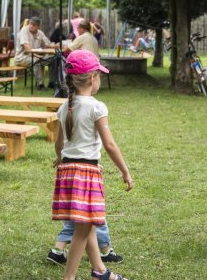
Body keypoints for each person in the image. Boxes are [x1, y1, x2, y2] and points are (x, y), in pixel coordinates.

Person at [52, 49, 133, 280]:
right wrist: (125, 171)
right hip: (85, 173)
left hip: (68, 170)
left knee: (85, 224)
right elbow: (109, 144)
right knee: (83, 229)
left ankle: (100, 271)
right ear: (92, 78)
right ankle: (69, 278)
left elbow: (59, 144)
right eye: (99, 74)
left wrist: (61, 159)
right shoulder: (97, 107)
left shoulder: (64, 107)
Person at [47, 221, 123, 265]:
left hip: (69, 195)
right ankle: (105, 252)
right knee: (97, 221)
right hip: (88, 196)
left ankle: (57, 251)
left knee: (71, 221)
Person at [14, 16, 56, 90]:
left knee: (54, 59)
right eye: (30, 24)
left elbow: (47, 44)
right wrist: (36, 55)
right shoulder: (24, 31)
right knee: (36, 60)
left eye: (34, 25)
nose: (31, 26)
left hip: (36, 56)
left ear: (38, 26)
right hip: (22, 57)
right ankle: (40, 84)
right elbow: (26, 47)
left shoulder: (40, 33)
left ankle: (51, 83)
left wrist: (56, 46)